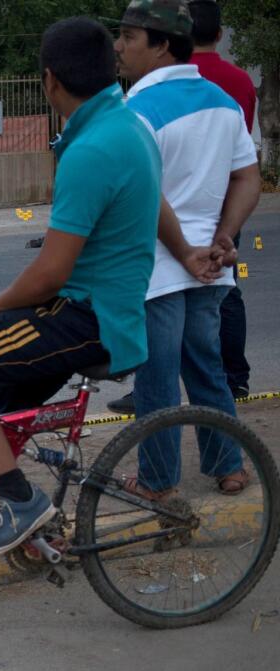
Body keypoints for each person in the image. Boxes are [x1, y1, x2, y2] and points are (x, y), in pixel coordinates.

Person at [0, 17, 164, 562]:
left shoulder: (92, 149)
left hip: (88, 317)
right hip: (106, 310)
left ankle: (19, 501)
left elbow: (52, 269)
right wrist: (191, 251)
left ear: (50, 81)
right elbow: (156, 202)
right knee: (9, 397)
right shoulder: (132, 127)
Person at [113, 0, 260, 498]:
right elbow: (248, 176)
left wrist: (183, 250)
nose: (119, 47)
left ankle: (157, 481)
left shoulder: (136, 110)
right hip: (210, 266)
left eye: (129, 38)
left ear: (160, 46)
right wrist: (223, 235)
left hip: (160, 266)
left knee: (157, 379)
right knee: (207, 366)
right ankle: (229, 467)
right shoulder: (222, 102)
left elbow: (143, 193)